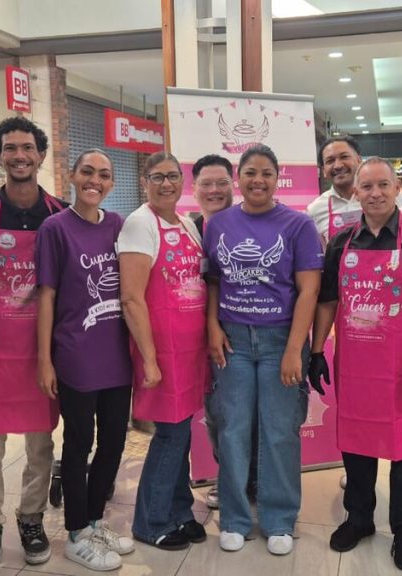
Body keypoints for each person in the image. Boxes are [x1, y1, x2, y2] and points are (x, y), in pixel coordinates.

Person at [309, 157, 402, 571]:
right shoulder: (341, 242)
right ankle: (360, 518)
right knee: (356, 449)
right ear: (355, 193)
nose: (375, 193)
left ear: (396, 187)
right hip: (356, 368)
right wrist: (317, 351)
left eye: (383, 185)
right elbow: (328, 301)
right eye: (366, 187)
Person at [0, 117, 67, 576]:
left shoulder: (60, 213)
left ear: (41, 155)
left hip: (44, 349)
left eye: (27, 147)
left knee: (41, 446)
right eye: (9, 148)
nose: (19, 155)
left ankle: (32, 520)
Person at [203, 144, 322, 556]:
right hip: (233, 340)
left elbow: (309, 291)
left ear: (277, 177)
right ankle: (235, 519)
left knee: (279, 432)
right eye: (250, 173)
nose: (258, 180)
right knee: (233, 429)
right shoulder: (218, 224)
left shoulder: (298, 225)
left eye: (266, 173)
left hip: (279, 341)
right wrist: (212, 326)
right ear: (239, 178)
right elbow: (213, 282)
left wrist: (294, 349)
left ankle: (279, 519)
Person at [36, 149, 135, 571]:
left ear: (112, 184)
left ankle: (95, 520)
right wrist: (45, 359)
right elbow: (47, 296)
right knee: (78, 443)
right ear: (73, 176)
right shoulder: (55, 228)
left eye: (104, 175)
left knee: (114, 441)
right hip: (76, 353)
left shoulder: (118, 226)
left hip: (117, 355)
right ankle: (76, 532)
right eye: (88, 172)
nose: (96, 180)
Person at [119, 152, 209, 551]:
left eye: (173, 176)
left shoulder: (186, 222)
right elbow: (132, 299)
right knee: (170, 435)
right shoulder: (140, 224)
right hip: (162, 351)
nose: (167, 184)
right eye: (158, 177)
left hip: (190, 349)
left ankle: (180, 510)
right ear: (145, 181)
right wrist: (150, 358)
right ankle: (150, 520)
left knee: (183, 431)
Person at [189, 154, 258, 510]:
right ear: (195, 188)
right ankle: (227, 477)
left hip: (239, 333)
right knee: (216, 414)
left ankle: (254, 479)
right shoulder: (185, 228)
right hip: (190, 336)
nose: (214, 190)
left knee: (251, 412)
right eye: (206, 184)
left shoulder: (249, 225)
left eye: (221, 183)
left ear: (232, 186)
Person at [306, 137, 363, 243]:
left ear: (359, 161)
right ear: (323, 171)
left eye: (344, 157)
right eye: (330, 161)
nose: (338, 165)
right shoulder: (315, 210)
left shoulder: (382, 197)